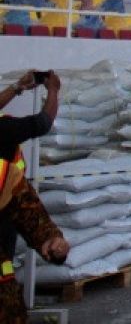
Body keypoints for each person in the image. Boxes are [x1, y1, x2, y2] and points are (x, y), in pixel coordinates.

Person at [0, 71, 70, 322]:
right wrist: (52, 90)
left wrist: (49, 238)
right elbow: (42, 122)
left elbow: (26, 207)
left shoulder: (3, 175)